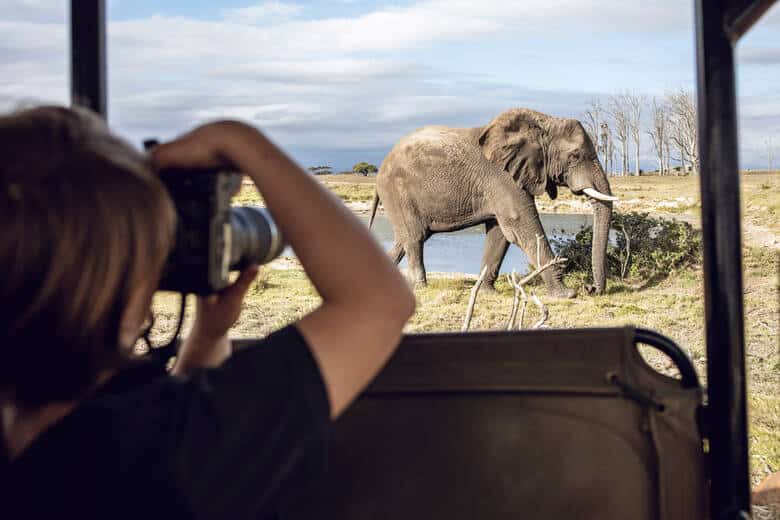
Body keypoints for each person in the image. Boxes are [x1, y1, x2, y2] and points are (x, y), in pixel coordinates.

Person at [0, 106, 415, 518]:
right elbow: (377, 301)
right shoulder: (143, 454)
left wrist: (209, 336)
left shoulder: (41, 438)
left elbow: (170, 421)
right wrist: (239, 141)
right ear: (128, 288)